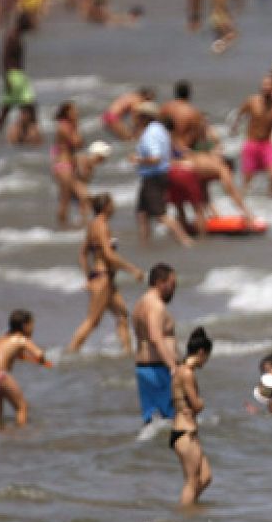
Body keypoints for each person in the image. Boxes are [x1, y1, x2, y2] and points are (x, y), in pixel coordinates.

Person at [66, 195, 144, 355]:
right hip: (103, 279)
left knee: (122, 315)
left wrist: (89, 275)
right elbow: (109, 255)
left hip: (104, 279)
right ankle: (69, 353)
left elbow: (83, 253)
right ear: (106, 207)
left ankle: (127, 353)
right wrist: (132, 269)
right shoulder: (102, 226)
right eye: (112, 204)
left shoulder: (93, 225)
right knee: (93, 321)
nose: (114, 207)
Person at [132, 103, 192, 246]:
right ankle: (145, 243)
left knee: (160, 215)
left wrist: (137, 159)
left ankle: (185, 240)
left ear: (145, 117)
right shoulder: (160, 130)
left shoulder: (149, 134)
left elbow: (155, 158)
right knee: (142, 214)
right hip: (156, 175)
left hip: (153, 176)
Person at [0, 309, 51, 427]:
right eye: (32, 325)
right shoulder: (22, 339)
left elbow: (4, 353)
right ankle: (20, 436)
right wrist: (43, 361)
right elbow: (39, 354)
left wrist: (26, 358)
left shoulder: (3, 338)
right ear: (25, 326)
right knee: (22, 407)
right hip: (0, 375)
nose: (33, 329)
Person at [130, 264, 179, 424]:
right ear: (160, 282)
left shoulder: (140, 304)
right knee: (173, 422)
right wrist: (174, 368)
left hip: (144, 369)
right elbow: (155, 337)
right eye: (172, 285)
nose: (174, 290)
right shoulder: (155, 305)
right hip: (159, 370)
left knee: (151, 422)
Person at [171, 327, 213, 506]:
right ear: (201, 352)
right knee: (192, 481)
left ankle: (189, 512)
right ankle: (184, 515)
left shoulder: (180, 369)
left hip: (186, 431)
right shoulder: (187, 373)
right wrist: (201, 403)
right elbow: (196, 405)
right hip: (184, 433)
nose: (206, 362)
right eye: (207, 357)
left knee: (206, 476)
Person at [234, 78, 272, 196]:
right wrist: (234, 128)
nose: (266, 87)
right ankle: (242, 200)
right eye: (264, 84)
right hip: (252, 143)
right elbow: (239, 114)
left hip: (267, 144)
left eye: (269, 85)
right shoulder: (252, 101)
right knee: (247, 179)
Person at [0, 13, 34, 137]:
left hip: (19, 76)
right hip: (13, 76)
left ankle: (24, 136)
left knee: (24, 107)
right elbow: (4, 58)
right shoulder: (11, 36)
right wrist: (6, 78)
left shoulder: (18, 35)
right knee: (18, 108)